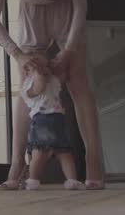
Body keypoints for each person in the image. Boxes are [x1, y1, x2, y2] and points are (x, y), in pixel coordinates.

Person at [0, 0, 104, 190]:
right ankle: (17, 162)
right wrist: (18, 54)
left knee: (78, 83)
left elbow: (81, 4)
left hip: (65, 9)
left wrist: (70, 50)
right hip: (31, 15)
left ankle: (94, 161)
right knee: (28, 88)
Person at [20, 53, 85, 190]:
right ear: (27, 71)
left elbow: (62, 76)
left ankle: (72, 180)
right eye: (37, 66)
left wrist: (58, 63)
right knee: (40, 152)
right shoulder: (28, 85)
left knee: (64, 152)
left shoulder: (53, 79)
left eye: (46, 65)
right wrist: (39, 72)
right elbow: (39, 86)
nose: (43, 69)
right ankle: (33, 179)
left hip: (58, 119)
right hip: (42, 119)